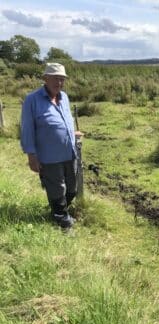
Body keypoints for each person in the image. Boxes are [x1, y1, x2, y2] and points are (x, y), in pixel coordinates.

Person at [20, 63, 81, 230]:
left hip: (69, 153)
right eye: (55, 78)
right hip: (49, 156)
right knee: (57, 189)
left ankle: (58, 210)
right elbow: (27, 129)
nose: (59, 83)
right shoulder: (32, 99)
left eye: (62, 79)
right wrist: (31, 155)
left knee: (72, 189)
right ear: (45, 79)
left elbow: (64, 121)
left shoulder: (64, 97)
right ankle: (63, 221)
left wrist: (72, 133)